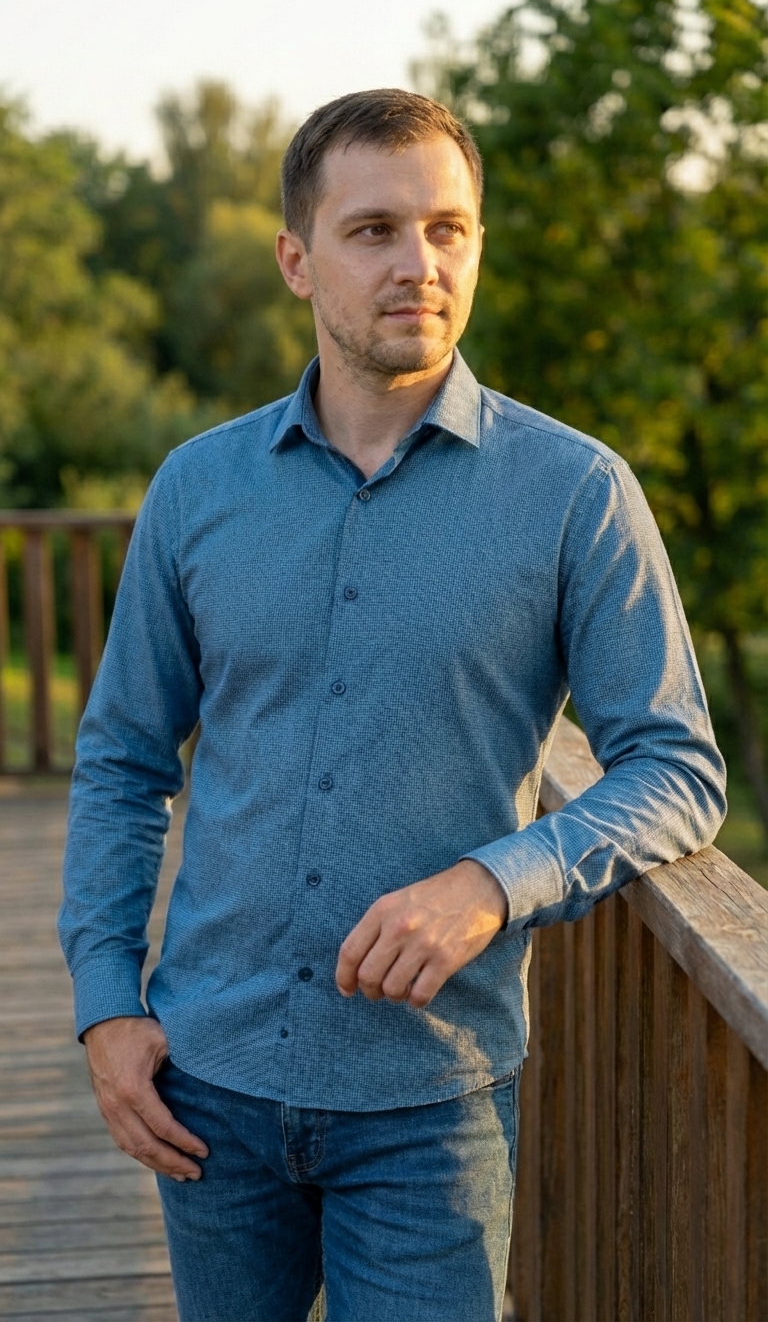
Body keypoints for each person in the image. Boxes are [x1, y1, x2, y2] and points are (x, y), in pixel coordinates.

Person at [59, 89, 726, 1322]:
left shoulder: (577, 492)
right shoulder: (198, 487)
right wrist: (106, 1000)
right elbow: (122, 759)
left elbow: (677, 767)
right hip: (209, 1083)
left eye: (446, 228)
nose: (418, 262)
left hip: (433, 1101)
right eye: (373, 229)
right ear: (296, 260)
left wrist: (493, 882)